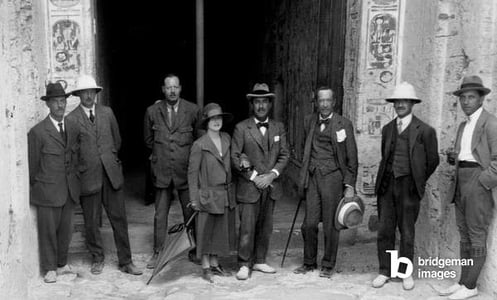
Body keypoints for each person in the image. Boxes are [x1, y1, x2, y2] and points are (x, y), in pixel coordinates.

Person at [67, 74, 142, 276]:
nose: (89, 95)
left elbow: (117, 141)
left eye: (92, 92)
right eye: (85, 92)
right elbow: (71, 152)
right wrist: (86, 166)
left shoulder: (107, 113)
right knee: (91, 222)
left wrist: (108, 160)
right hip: (88, 177)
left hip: (111, 175)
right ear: (79, 95)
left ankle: (126, 261)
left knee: (119, 219)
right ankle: (97, 258)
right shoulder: (71, 119)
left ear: (96, 93)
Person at [372, 82, 439, 290]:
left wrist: (416, 179)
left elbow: (433, 160)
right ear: (393, 104)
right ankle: (385, 271)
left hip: (409, 187)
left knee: (407, 232)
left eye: (405, 101)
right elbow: (386, 156)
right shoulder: (387, 129)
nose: (400, 105)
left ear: (412, 103)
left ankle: (405, 273)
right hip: (387, 186)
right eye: (397, 101)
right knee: (385, 230)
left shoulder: (425, 131)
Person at [440, 75, 497, 300]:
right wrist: (453, 158)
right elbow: (466, 154)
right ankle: (463, 282)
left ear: (481, 99)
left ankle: (471, 286)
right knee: (463, 234)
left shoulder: (491, 123)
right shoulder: (463, 125)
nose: (466, 102)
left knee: (476, 234)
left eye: (471, 97)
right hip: (460, 179)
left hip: (477, 181)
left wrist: (483, 183)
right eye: (463, 97)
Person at [293, 86, 358, 278]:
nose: (324, 104)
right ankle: (309, 262)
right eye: (321, 100)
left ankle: (328, 264)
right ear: (317, 103)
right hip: (313, 177)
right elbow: (305, 149)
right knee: (309, 223)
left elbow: (352, 157)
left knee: (331, 224)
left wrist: (349, 185)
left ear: (334, 102)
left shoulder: (343, 124)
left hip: (333, 177)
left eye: (327, 100)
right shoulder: (309, 121)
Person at [231, 82, 289, 280]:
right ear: (252, 104)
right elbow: (235, 157)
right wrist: (256, 178)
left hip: (271, 185)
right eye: (258, 102)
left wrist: (272, 175)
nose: (261, 106)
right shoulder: (241, 128)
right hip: (250, 186)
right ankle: (243, 263)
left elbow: (285, 155)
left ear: (270, 104)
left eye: (265, 102)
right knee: (247, 227)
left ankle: (260, 260)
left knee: (266, 226)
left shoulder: (278, 127)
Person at [143, 74, 201, 268]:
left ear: (181, 88)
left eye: (176, 87)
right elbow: (148, 141)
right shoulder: (152, 111)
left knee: (190, 212)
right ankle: (158, 252)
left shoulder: (192, 110)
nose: (172, 91)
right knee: (160, 214)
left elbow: (198, 140)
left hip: (184, 171)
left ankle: (194, 249)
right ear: (163, 89)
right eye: (169, 87)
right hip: (161, 171)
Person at [28, 82, 80, 283]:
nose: (60, 105)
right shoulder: (38, 132)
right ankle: (50, 269)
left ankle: (61, 264)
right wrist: (39, 188)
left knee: (66, 230)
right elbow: (33, 167)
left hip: (69, 189)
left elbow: (76, 157)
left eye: (62, 101)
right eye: (55, 102)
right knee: (48, 231)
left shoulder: (72, 127)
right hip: (47, 190)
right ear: (47, 104)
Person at [188, 103, 236, 282]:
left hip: (223, 193)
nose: (216, 121)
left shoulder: (227, 139)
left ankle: (215, 264)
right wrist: (194, 199)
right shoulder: (199, 145)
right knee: (206, 230)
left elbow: (235, 158)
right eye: (212, 119)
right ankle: (206, 266)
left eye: (219, 118)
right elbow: (192, 174)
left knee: (219, 230)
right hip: (207, 194)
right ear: (206, 122)